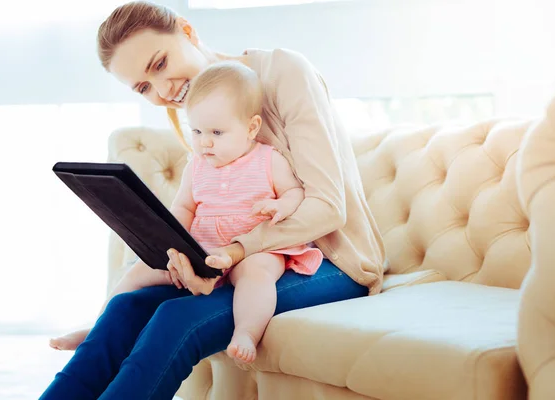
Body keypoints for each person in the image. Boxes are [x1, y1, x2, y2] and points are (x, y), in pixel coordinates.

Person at [41, 1, 386, 399]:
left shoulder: (284, 72)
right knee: (124, 310)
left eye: (159, 64)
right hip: (231, 260)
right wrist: (178, 252)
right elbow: (204, 208)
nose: (164, 90)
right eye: (144, 88)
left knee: (177, 318)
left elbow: (327, 207)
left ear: (187, 31)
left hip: (329, 260)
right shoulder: (202, 118)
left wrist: (236, 251)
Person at [51, 60, 324, 364]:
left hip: (253, 248)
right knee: (137, 271)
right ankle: (98, 328)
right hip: (203, 249)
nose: (204, 142)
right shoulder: (196, 166)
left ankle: (247, 331)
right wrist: (171, 241)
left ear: (251, 127)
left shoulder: (268, 160)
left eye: (217, 132)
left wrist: (280, 205)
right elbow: (183, 206)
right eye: (196, 130)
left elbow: (295, 192)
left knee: (257, 274)